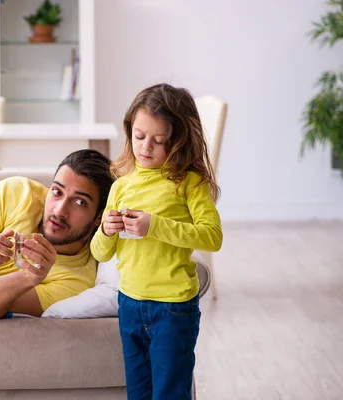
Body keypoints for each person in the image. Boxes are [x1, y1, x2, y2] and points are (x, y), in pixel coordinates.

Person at [91, 83, 223, 400]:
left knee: (170, 393)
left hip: (173, 308)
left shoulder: (189, 183)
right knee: (138, 393)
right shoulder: (121, 185)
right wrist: (106, 230)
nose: (146, 147)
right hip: (129, 304)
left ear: (177, 142)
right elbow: (99, 252)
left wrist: (156, 226)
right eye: (139, 136)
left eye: (158, 140)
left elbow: (212, 237)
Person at [0, 149, 114, 319]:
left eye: (80, 202)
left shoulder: (75, 281)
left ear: (99, 217)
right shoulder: (19, 195)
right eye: (57, 192)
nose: (59, 210)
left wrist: (29, 277)